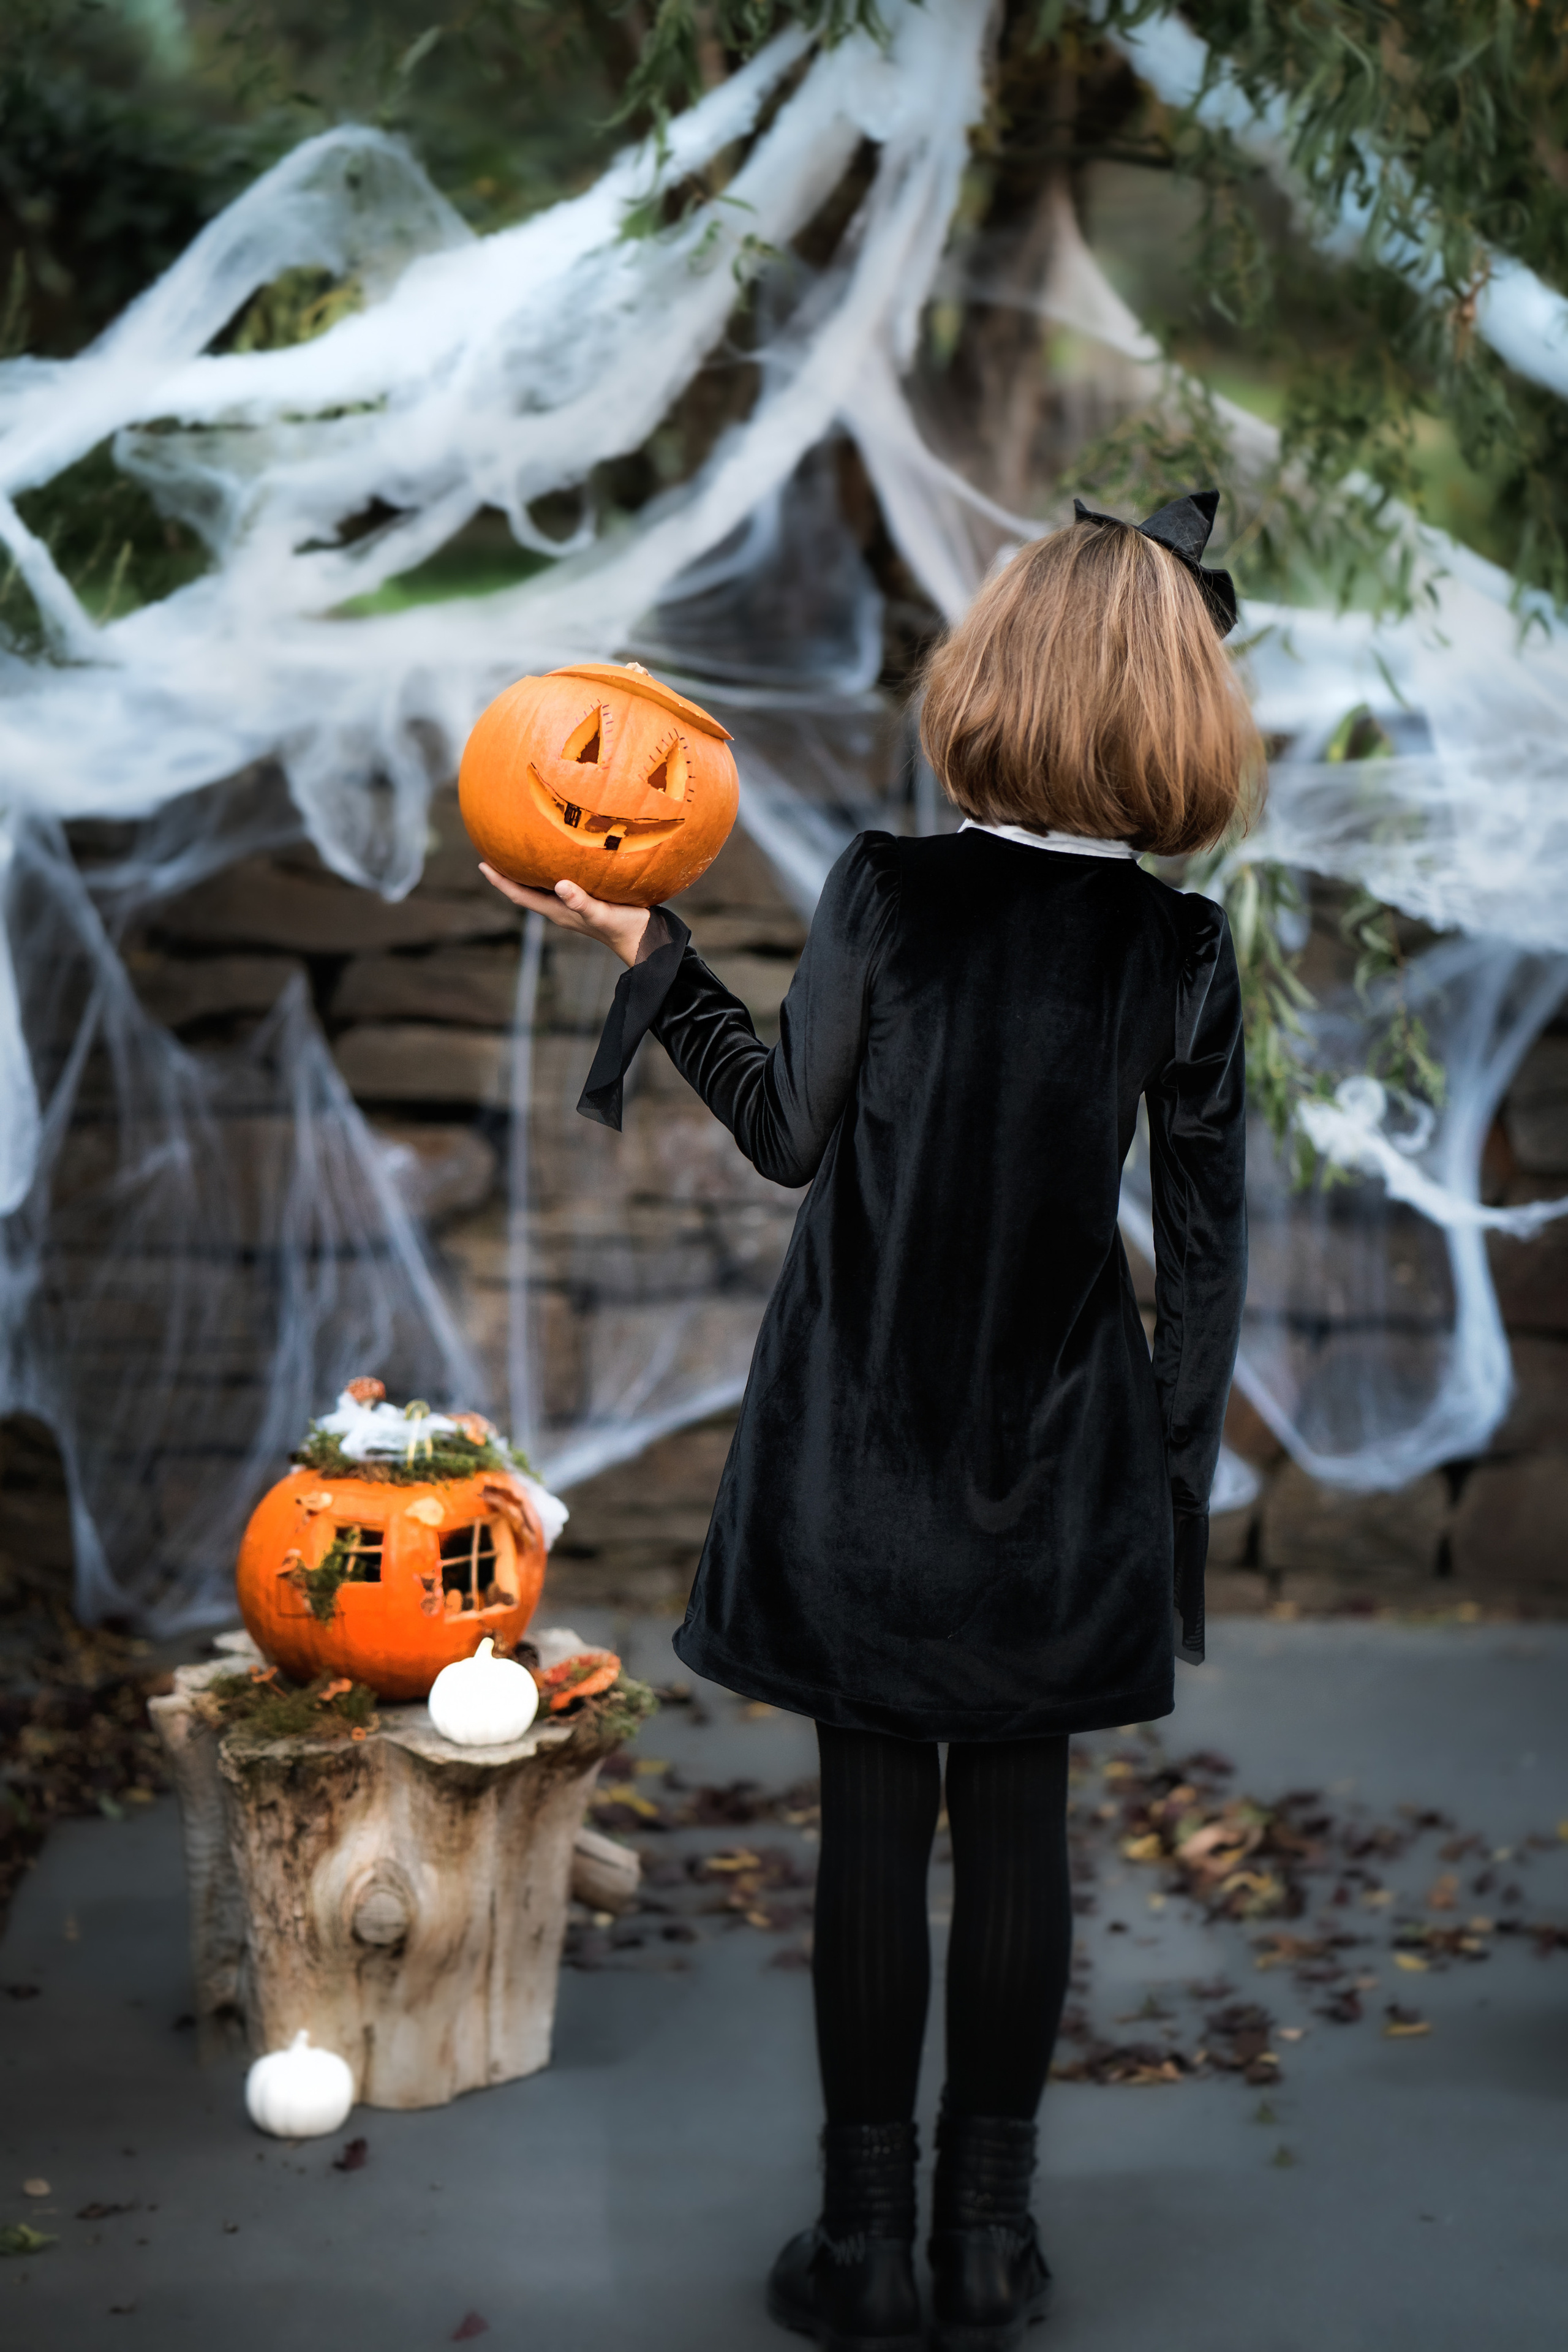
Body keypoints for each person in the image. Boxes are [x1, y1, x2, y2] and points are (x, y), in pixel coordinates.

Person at [481, 491, 1256, 2352]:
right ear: (1177, 709)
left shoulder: (888, 897)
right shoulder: (1180, 951)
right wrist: (1160, 1501)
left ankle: (866, 2248)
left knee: (867, 1835)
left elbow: (787, 1138)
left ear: (992, 676)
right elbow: (1213, 1260)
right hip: (1058, 1469)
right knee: (1016, 1839)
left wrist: (653, 965)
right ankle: (993, 2244)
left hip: (858, 1459)